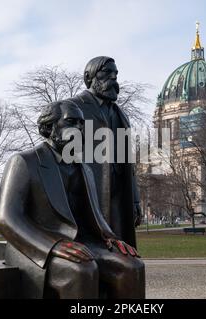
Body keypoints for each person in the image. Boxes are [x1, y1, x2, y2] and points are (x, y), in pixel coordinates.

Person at [0, 100, 145, 299]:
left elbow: (94, 215)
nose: (80, 130)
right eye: (72, 122)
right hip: (36, 246)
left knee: (132, 265)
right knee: (83, 270)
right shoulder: (24, 162)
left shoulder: (85, 168)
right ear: (49, 128)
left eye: (82, 125)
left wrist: (110, 238)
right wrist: (53, 245)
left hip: (82, 243)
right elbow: (6, 218)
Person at [68, 56, 141, 249]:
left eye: (116, 74)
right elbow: (65, 156)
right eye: (107, 73)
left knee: (119, 248)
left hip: (118, 193)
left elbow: (129, 162)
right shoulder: (73, 107)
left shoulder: (120, 114)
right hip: (88, 193)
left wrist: (134, 199)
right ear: (88, 77)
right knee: (92, 247)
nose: (113, 79)